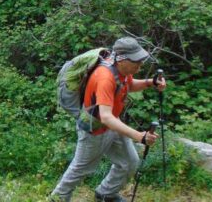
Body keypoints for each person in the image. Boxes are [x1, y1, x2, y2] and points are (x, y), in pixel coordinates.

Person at [51, 37, 167, 202]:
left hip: (113, 124)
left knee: (129, 162)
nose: (140, 65)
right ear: (122, 59)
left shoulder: (121, 70)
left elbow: (128, 84)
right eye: (136, 61)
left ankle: (106, 194)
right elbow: (105, 116)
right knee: (81, 169)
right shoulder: (105, 77)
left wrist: (150, 82)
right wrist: (139, 136)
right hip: (95, 129)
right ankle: (58, 198)